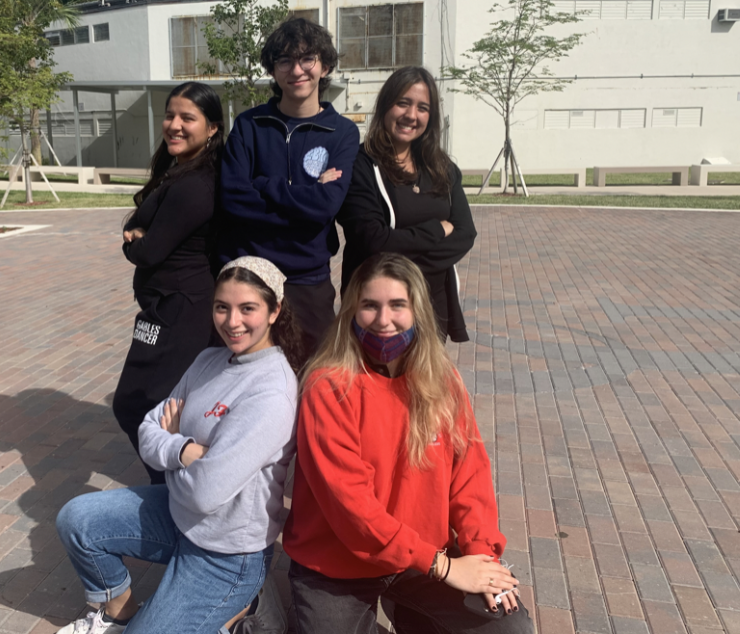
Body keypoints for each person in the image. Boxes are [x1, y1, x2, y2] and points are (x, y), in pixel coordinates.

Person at [281, 253, 533, 634]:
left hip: (422, 560)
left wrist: (481, 553)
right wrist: (444, 567)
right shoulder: (328, 385)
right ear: (351, 310)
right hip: (338, 563)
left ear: (418, 310)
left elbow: (471, 476)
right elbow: (352, 508)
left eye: (398, 305)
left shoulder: (440, 380)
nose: (384, 321)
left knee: (509, 628)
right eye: (370, 306)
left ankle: (415, 615)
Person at [55, 256, 303, 634]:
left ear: (274, 311)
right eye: (222, 307)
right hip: (177, 516)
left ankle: (246, 603)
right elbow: (149, 428)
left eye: (247, 308)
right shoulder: (209, 360)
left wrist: (172, 450)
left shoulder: (272, 392)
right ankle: (117, 613)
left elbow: (206, 494)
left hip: (226, 554)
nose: (232, 321)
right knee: (77, 520)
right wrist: (184, 451)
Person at [216, 17, 360, 360]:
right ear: (274, 70)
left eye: (307, 59)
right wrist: (301, 199)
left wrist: (263, 185)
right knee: (244, 374)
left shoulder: (341, 133)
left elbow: (326, 206)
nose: (297, 70)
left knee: (313, 375)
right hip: (248, 275)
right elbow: (233, 200)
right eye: (284, 61)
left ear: (324, 66)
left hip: (307, 279)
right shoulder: (250, 125)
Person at [112, 82, 224, 484]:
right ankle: (176, 488)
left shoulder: (197, 184)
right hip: (161, 305)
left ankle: (177, 489)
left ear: (212, 127)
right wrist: (137, 231)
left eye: (187, 118)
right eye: (170, 115)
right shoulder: (180, 170)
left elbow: (149, 250)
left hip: (180, 310)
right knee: (147, 403)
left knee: (138, 404)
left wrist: (135, 241)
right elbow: (141, 227)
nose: (174, 125)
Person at [337, 66, 477, 342]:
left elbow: (465, 234)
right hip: (378, 309)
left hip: (431, 304)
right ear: (386, 106)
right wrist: (437, 230)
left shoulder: (442, 168)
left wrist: (397, 251)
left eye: (422, 108)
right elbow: (372, 241)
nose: (411, 115)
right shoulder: (360, 165)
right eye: (403, 103)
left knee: (424, 383)